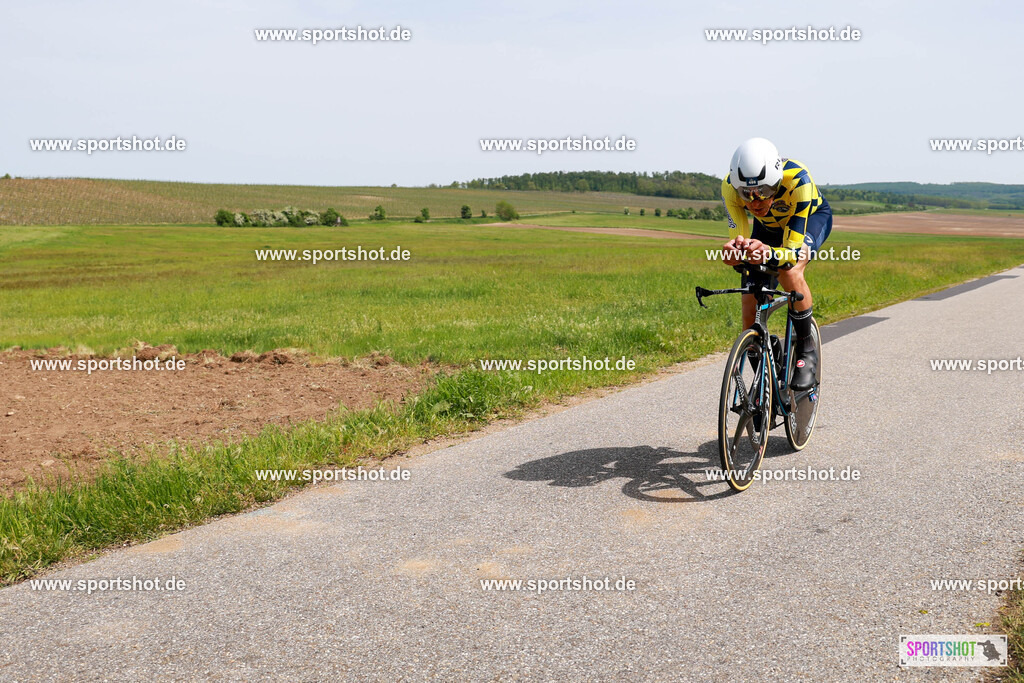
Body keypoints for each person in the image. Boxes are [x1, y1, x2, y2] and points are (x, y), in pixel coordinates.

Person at [719, 137, 832, 390]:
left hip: (808, 220)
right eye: (746, 195)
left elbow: (790, 254)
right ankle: (764, 386)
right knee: (749, 302)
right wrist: (735, 254)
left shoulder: (798, 180)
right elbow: (739, 240)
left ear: (777, 182)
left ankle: (806, 351)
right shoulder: (728, 187)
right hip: (768, 228)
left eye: (763, 193)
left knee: (789, 271)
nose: (755, 203)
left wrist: (769, 253)